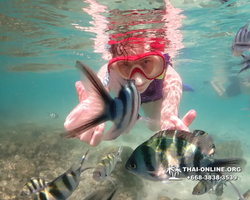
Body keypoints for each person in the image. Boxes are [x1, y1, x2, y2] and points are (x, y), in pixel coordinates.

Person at [64, 0, 196, 146]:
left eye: (146, 62)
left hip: (154, 95)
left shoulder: (169, 76)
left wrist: (169, 124)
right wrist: (92, 108)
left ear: (160, 62)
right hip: (128, 100)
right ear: (114, 64)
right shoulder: (111, 70)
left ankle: (184, 86)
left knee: (155, 126)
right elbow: (103, 80)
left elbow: (170, 102)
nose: (138, 81)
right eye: (125, 65)